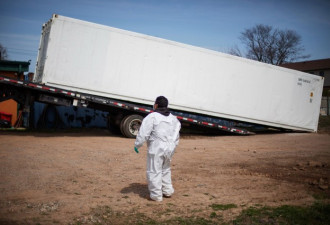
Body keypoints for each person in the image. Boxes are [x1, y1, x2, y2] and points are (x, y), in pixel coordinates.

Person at [134, 96, 181, 202]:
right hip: (169, 149)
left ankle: (156, 195)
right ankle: (167, 191)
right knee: (165, 169)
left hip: (156, 148)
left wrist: (137, 145)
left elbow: (143, 133)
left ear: (156, 105)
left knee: (154, 171)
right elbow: (176, 136)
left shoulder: (152, 117)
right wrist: (172, 147)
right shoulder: (174, 119)